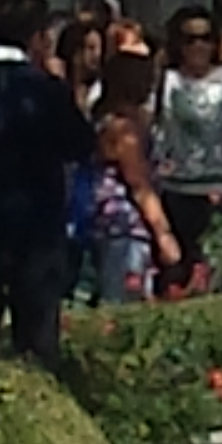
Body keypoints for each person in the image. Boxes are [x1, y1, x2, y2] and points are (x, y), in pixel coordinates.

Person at [0, 0, 91, 366]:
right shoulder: (46, 90)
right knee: (36, 335)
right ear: (37, 39)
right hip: (35, 223)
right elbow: (80, 144)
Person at [148, 7, 222, 297]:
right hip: (178, 189)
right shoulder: (167, 80)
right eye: (189, 39)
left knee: (217, 275)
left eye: (205, 38)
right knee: (178, 280)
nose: (198, 46)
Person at [82, 53, 182, 304]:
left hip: (106, 225)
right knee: (122, 305)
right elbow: (139, 184)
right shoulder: (122, 129)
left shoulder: (109, 119)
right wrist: (164, 234)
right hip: (123, 226)